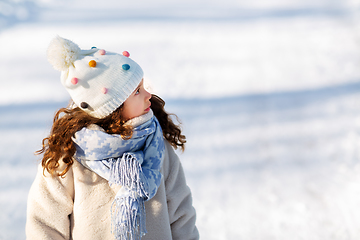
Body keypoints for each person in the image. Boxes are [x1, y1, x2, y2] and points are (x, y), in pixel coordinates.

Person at [26, 36, 199, 240]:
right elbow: (45, 222)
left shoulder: (155, 146)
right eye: (136, 91)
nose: (148, 95)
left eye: (143, 86)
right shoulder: (69, 156)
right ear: (113, 108)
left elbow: (181, 214)